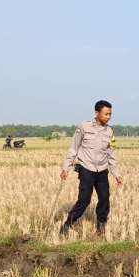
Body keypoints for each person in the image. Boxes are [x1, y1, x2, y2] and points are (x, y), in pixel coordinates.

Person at [59, 100, 123, 237]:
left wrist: (117, 174)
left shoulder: (110, 131)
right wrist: (66, 168)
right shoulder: (84, 127)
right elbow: (74, 148)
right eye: (106, 114)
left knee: (105, 199)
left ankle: (101, 227)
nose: (108, 117)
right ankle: (67, 224)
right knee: (84, 200)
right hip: (86, 168)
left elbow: (111, 153)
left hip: (102, 170)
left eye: (110, 114)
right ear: (97, 113)